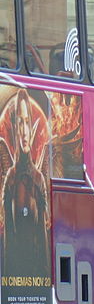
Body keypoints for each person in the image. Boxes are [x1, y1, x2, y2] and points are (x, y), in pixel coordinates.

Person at [1, 89, 51, 282]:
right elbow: (8, 241)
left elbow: (44, 234)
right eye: (19, 122)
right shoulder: (10, 179)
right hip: (13, 283)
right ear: (14, 127)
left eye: (27, 122)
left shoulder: (39, 179)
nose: (24, 130)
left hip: (38, 280)